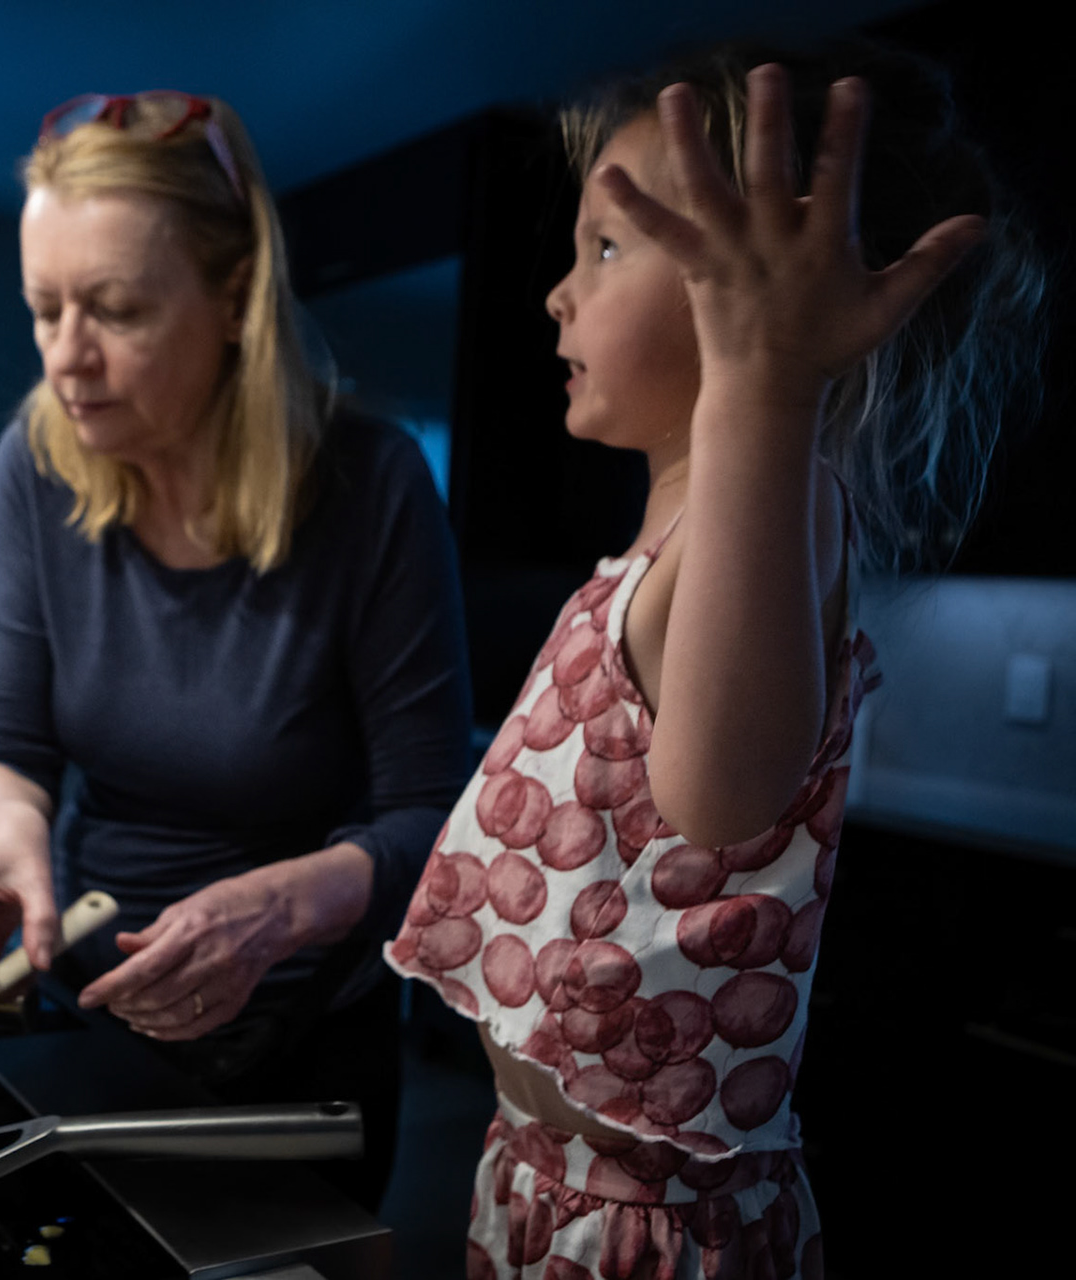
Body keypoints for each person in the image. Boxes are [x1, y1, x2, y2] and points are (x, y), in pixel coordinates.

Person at [385, 43, 1047, 1280]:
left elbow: (716, 799)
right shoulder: (655, 547)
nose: (557, 295)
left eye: (610, 247)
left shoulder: (786, 510)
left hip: (653, 1238)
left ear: (759, 291)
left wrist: (763, 375)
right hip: (535, 1185)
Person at [0, 90, 474, 1209]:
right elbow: (3, 739)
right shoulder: (36, 463)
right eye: (43, 307)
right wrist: (11, 834)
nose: (68, 358)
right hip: (90, 1011)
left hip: (305, 1036)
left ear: (237, 295)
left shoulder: (372, 481)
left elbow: (434, 816)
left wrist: (284, 906)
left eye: (114, 309)